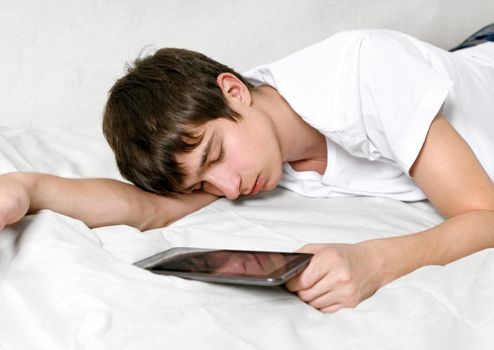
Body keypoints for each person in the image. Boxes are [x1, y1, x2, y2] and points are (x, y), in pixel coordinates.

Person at [1, 25, 494, 313]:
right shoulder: (251, 143)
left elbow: (485, 215)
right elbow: (152, 210)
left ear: (233, 90)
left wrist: (374, 261)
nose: (229, 189)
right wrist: (26, 188)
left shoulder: (365, 74)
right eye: (204, 183)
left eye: (214, 156)